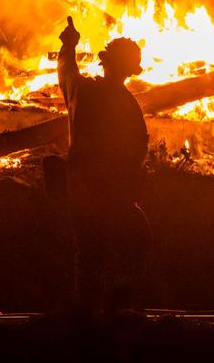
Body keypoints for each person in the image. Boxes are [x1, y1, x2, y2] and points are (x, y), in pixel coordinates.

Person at [58, 16, 150, 314]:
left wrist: (69, 44)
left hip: (82, 189)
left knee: (89, 252)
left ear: (104, 61)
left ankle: (91, 312)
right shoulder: (127, 104)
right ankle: (111, 314)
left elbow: (66, 72)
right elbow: (137, 151)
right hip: (112, 194)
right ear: (129, 70)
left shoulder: (82, 91)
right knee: (126, 249)